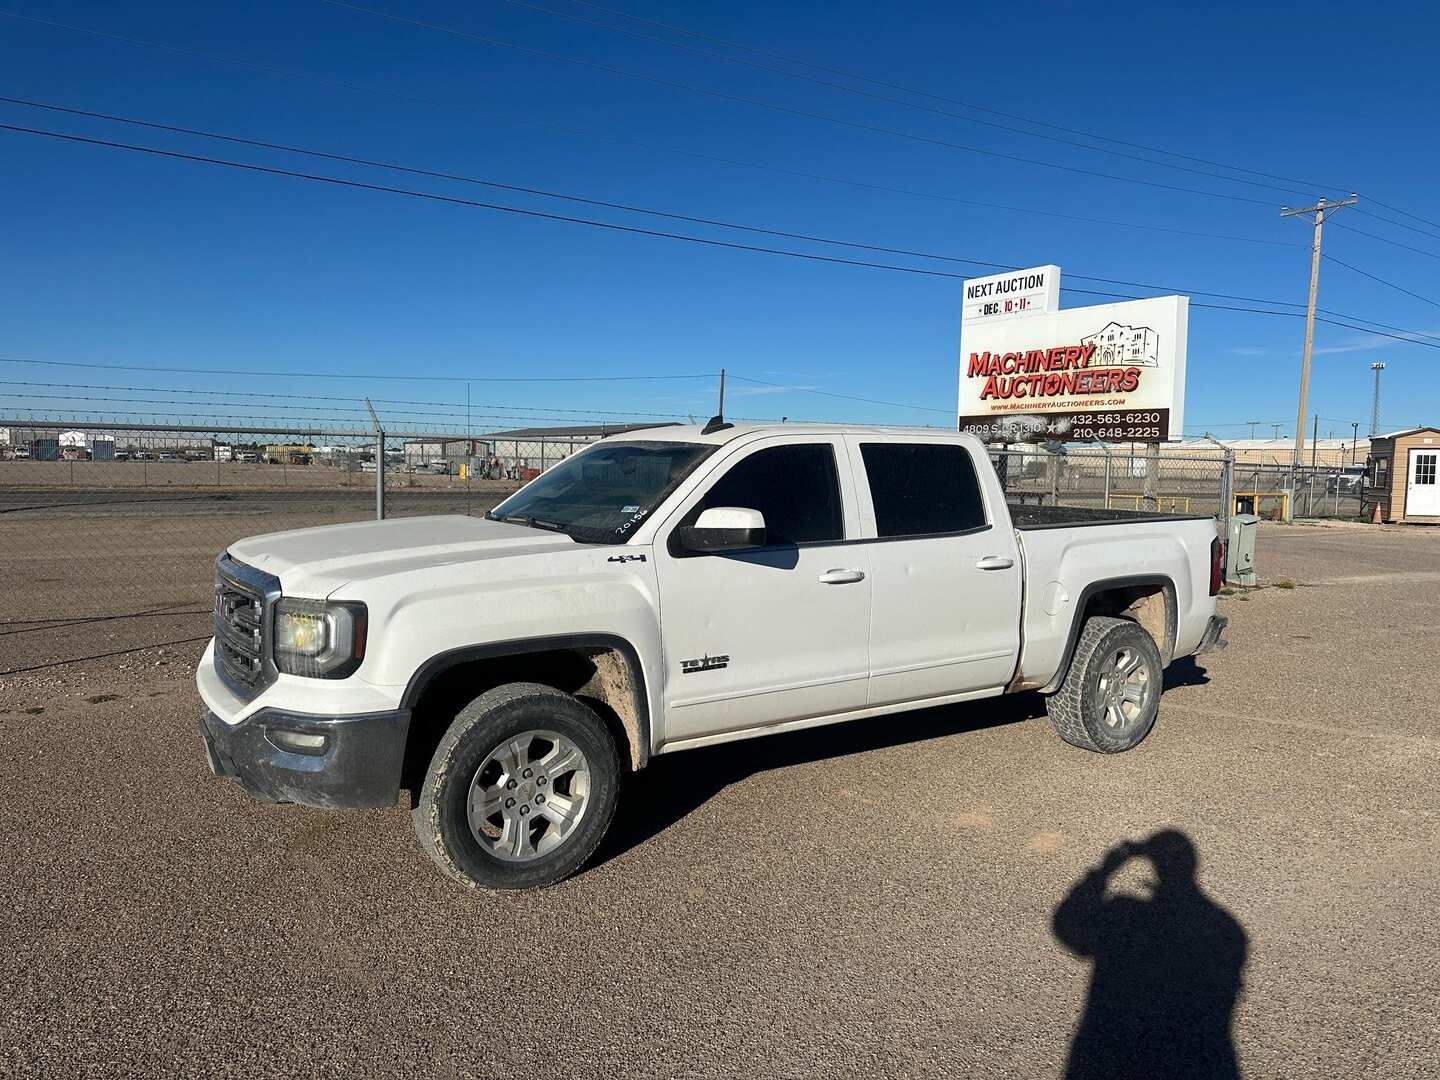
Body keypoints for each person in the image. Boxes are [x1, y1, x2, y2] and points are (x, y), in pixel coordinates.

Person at [1053, 831, 1247, 1080]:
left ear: (1153, 867)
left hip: (1113, 1059)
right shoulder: (1225, 931)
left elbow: (1068, 925)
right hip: (1195, 1063)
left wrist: (1103, 872)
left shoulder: (1125, 918)